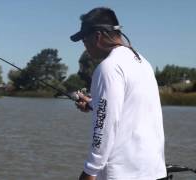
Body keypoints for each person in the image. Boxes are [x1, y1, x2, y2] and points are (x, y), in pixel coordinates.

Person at [71, 7, 167, 180]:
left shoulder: (108, 67)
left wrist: (90, 170)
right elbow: (128, 109)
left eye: (84, 38)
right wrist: (94, 104)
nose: (83, 44)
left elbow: (104, 126)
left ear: (97, 36)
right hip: (154, 172)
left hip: (123, 174)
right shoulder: (142, 62)